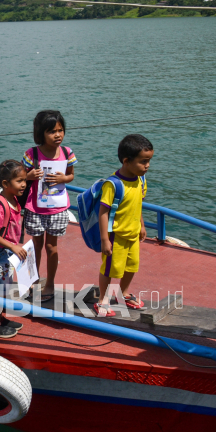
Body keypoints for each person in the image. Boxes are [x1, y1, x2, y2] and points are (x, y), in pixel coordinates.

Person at [95, 134, 154, 317]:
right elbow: (103, 212)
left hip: (133, 233)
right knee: (110, 269)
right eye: (143, 161)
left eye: (149, 161)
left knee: (131, 266)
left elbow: (137, 205)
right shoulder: (113, 185)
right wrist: (105, 239)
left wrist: (142, 225)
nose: (147, 166)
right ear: (127, 161)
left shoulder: (140, 180)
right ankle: (102, 300)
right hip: (117, 235)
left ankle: (124, 293)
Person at [22, 110, 78, 303]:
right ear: (41, 133)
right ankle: (33, 280)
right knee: (35, 246)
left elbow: (71, 174)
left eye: (60, 130)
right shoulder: (32, 154)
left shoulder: (67, 152)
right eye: (52, 131)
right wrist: (29, 176)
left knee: (52, 247)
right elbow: (21, 176)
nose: (57, 135)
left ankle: (50, 282)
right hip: (35, 208)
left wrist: (64, 178)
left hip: (57, 208)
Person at [0, 160, 28, 338]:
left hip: (9, 254)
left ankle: (0, 318)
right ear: (5, 184)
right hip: (2, 255)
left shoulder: (14, 200)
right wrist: (13, 246)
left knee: (5, 288)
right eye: (19, 181)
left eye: (24, 180)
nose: (24, 184)